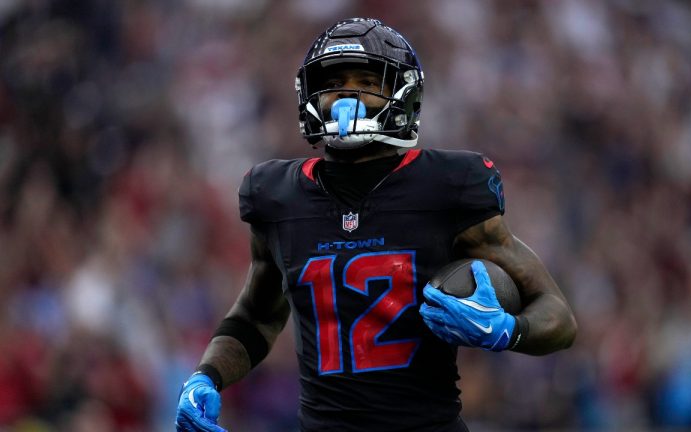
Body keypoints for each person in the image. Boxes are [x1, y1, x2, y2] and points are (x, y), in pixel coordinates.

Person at [175, 17, 577, 432]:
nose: (348, 94)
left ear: (402, 93)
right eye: (335, 82)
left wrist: (507, 330)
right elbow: (256, 317)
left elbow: (558, 317)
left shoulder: (448, 185)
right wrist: (207, 375)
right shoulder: (276, 195)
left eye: (367, 80)